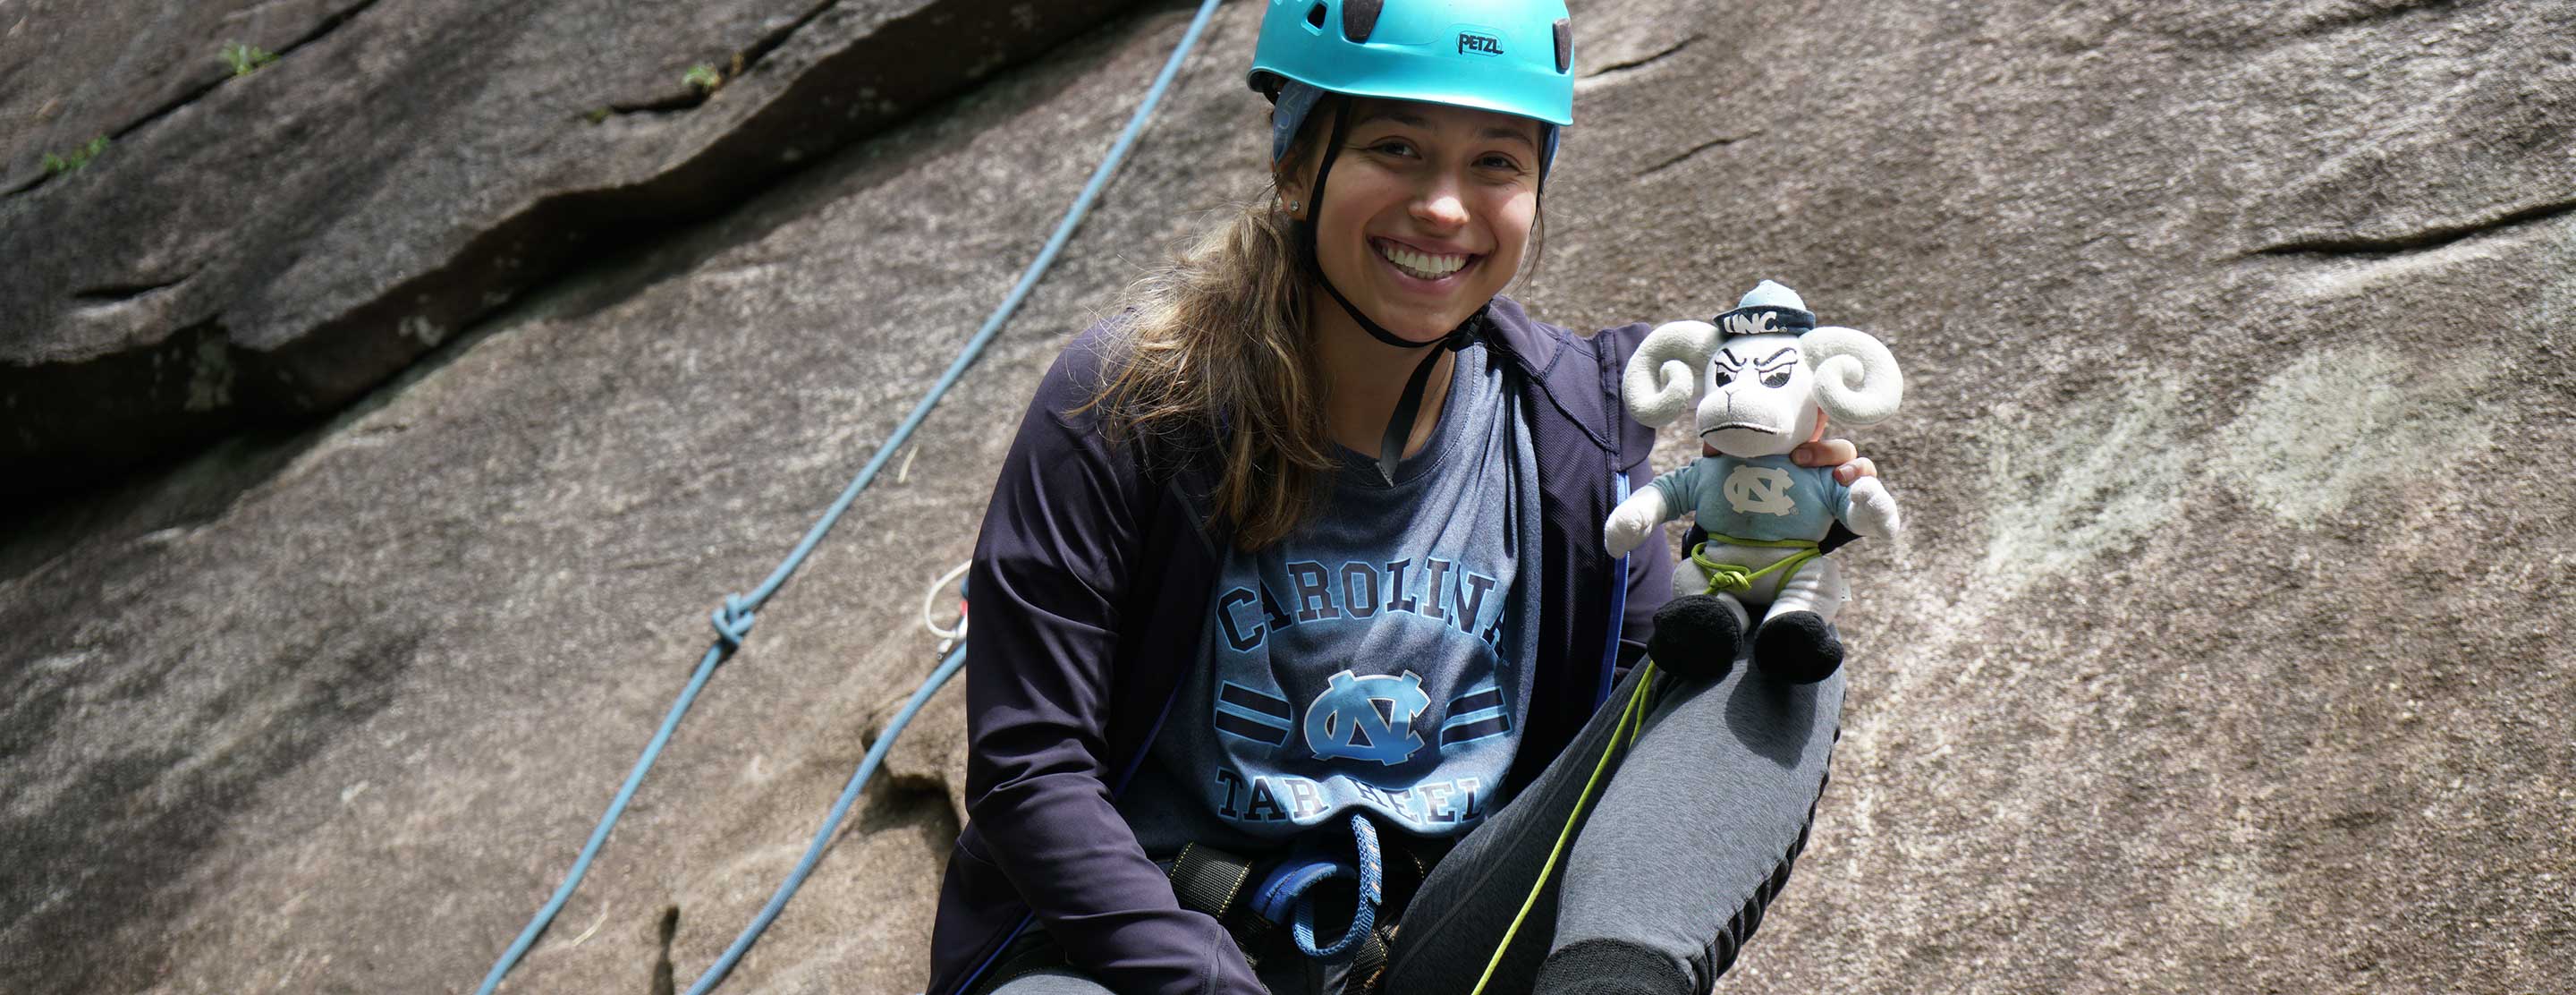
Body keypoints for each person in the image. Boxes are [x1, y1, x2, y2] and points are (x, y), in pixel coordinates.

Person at [925, 2, 1872, 992]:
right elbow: (1033, 771)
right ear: (1296, 164)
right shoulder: (1127, 402)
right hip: (1150, 955)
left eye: (1497, 163)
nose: (1445, 207)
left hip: (1447, 944)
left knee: (1762, 641)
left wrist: (1761, 547)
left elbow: (1645, 710)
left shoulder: (1571, 428)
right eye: (1396, 146)